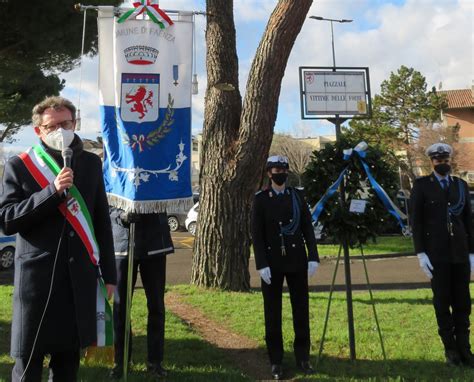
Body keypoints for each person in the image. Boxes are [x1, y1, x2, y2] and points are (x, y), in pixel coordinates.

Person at [0, 96, 116, 381]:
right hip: (36, 282)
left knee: (66, 368)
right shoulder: (20, 165)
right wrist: (51, 191)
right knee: (27, 366)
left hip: (77, 281)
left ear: (75, 124)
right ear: (38, 130)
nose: (61, 130)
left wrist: (110, 275)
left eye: (66, 123)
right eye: (53, 126)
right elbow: (7, 219)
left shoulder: (90, 163)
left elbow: (101, 221)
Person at [251, 155, 320, 380]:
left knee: (301, 310)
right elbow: (257, 235)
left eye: (282, 169)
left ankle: (303, 357)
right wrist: (261, 263)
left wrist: (313, 257)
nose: (279, 173)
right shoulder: (261, 199)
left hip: (297, 260)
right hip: (272, 262)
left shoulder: (297, 196)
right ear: (269, 173)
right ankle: (276, 360)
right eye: (275, 170)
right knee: (273, 313)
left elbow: (307, 228)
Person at [410, 143, 474, 367]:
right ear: (431, 162)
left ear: (450, 160)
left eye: (445, 159)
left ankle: (465, 349)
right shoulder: (421, 186)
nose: (442, 163)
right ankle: (451, 350)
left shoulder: (460, 185)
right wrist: (420, 253)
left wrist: (472, 252)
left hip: (459, 254)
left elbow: (468, 220)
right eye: (438, 160)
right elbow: (415, 222)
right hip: (436, 256)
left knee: (463, 303)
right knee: (442, 302)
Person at [109, 207, 174, 379]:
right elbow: (105, 196)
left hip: (154, 241)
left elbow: (168, 192)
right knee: (120, 307)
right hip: (122, 243)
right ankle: (121, 361)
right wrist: (119, 216)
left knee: (156, 306)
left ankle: (155, 362)